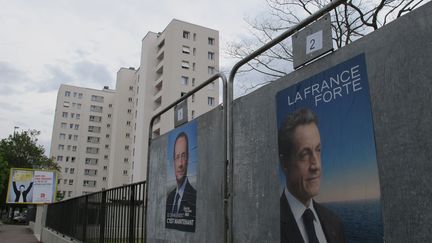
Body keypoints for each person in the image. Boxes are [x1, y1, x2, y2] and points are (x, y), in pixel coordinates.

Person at [278, 108, 345, 243]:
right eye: (304, 154)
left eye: (318, 150)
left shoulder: (335, 223)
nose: (316, 166)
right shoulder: (270, 225)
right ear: (284, 163)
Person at [165, 132, 197, 232]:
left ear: (188, 159)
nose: (180, 164)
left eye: (183, 156)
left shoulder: (195, 197)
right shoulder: (169, 198)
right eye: (177, 157)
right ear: (173, 162)